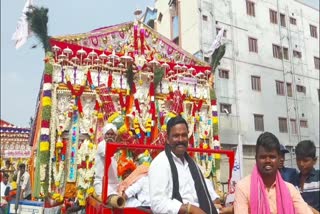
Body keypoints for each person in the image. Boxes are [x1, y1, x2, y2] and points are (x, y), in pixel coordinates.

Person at [148, 116, 217, 214]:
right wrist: (190, 209)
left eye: (184, 135)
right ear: (167, 139)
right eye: (176, 136)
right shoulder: (160, 163)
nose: (181, 139)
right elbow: (158, 204)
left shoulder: (192, 165)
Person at [234, 132, 312, 214]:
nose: (268, 161)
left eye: (272, 157)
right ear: (256, 159)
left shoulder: (290, 189)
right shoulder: (243, 187)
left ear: (279, 159)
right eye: (263, 157)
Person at [93, 123, 120, 200]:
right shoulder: (102, 145)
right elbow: (107, 153)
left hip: (114, 185)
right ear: (104, 135)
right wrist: (120, 147)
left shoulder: (114, 147)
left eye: (112, 134)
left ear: (115, 136)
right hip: (102, 185)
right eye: (108, 134)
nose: (110, 136)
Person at [295, 140, 320, 213]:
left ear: (314, 160)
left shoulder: (318, 178)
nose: (301, 164)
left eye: (305, 160)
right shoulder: (293, 180)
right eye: (298, 160)